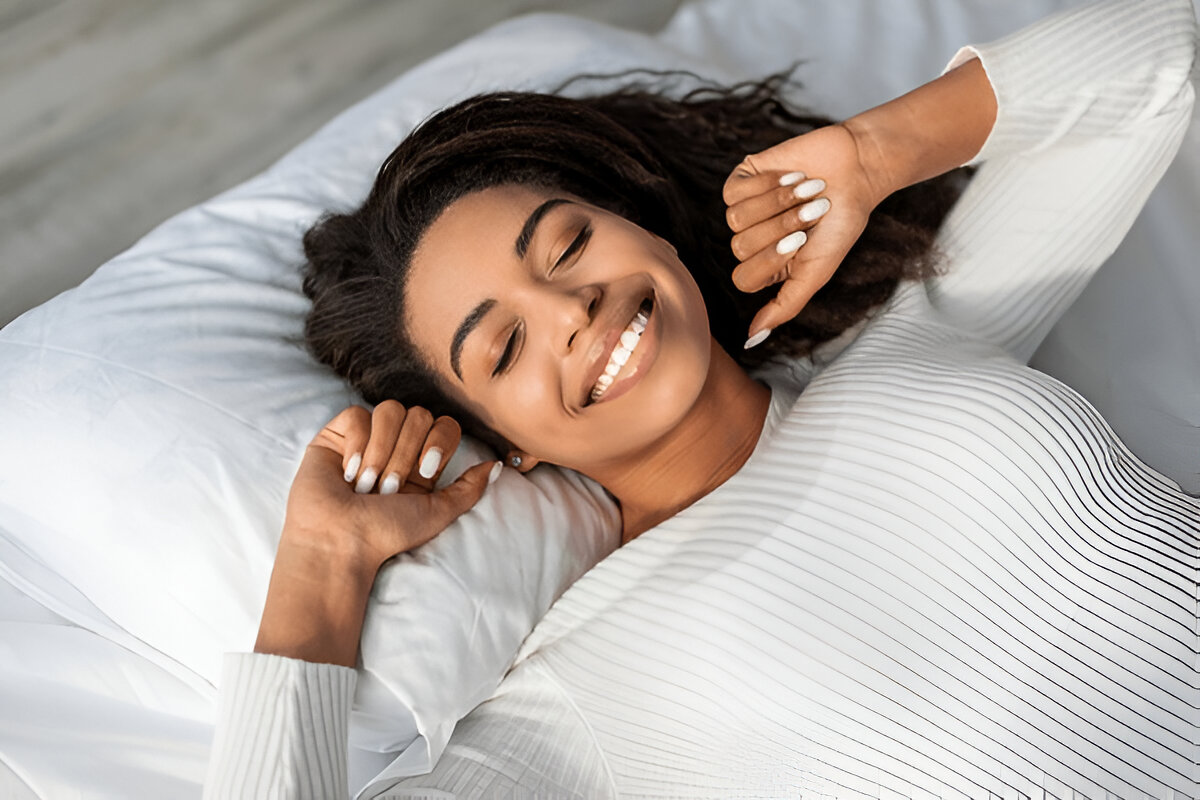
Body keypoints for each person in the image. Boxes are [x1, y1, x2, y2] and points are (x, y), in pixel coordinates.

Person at [206, 0, 1199, 797]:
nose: (570, 308)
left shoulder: (916, 332)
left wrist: (874, 151)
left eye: (566, 245)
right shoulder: (575, 697)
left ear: (646, 229)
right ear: (504, 443)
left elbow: (1167, 58)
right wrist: (319, 574)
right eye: (504, 345)